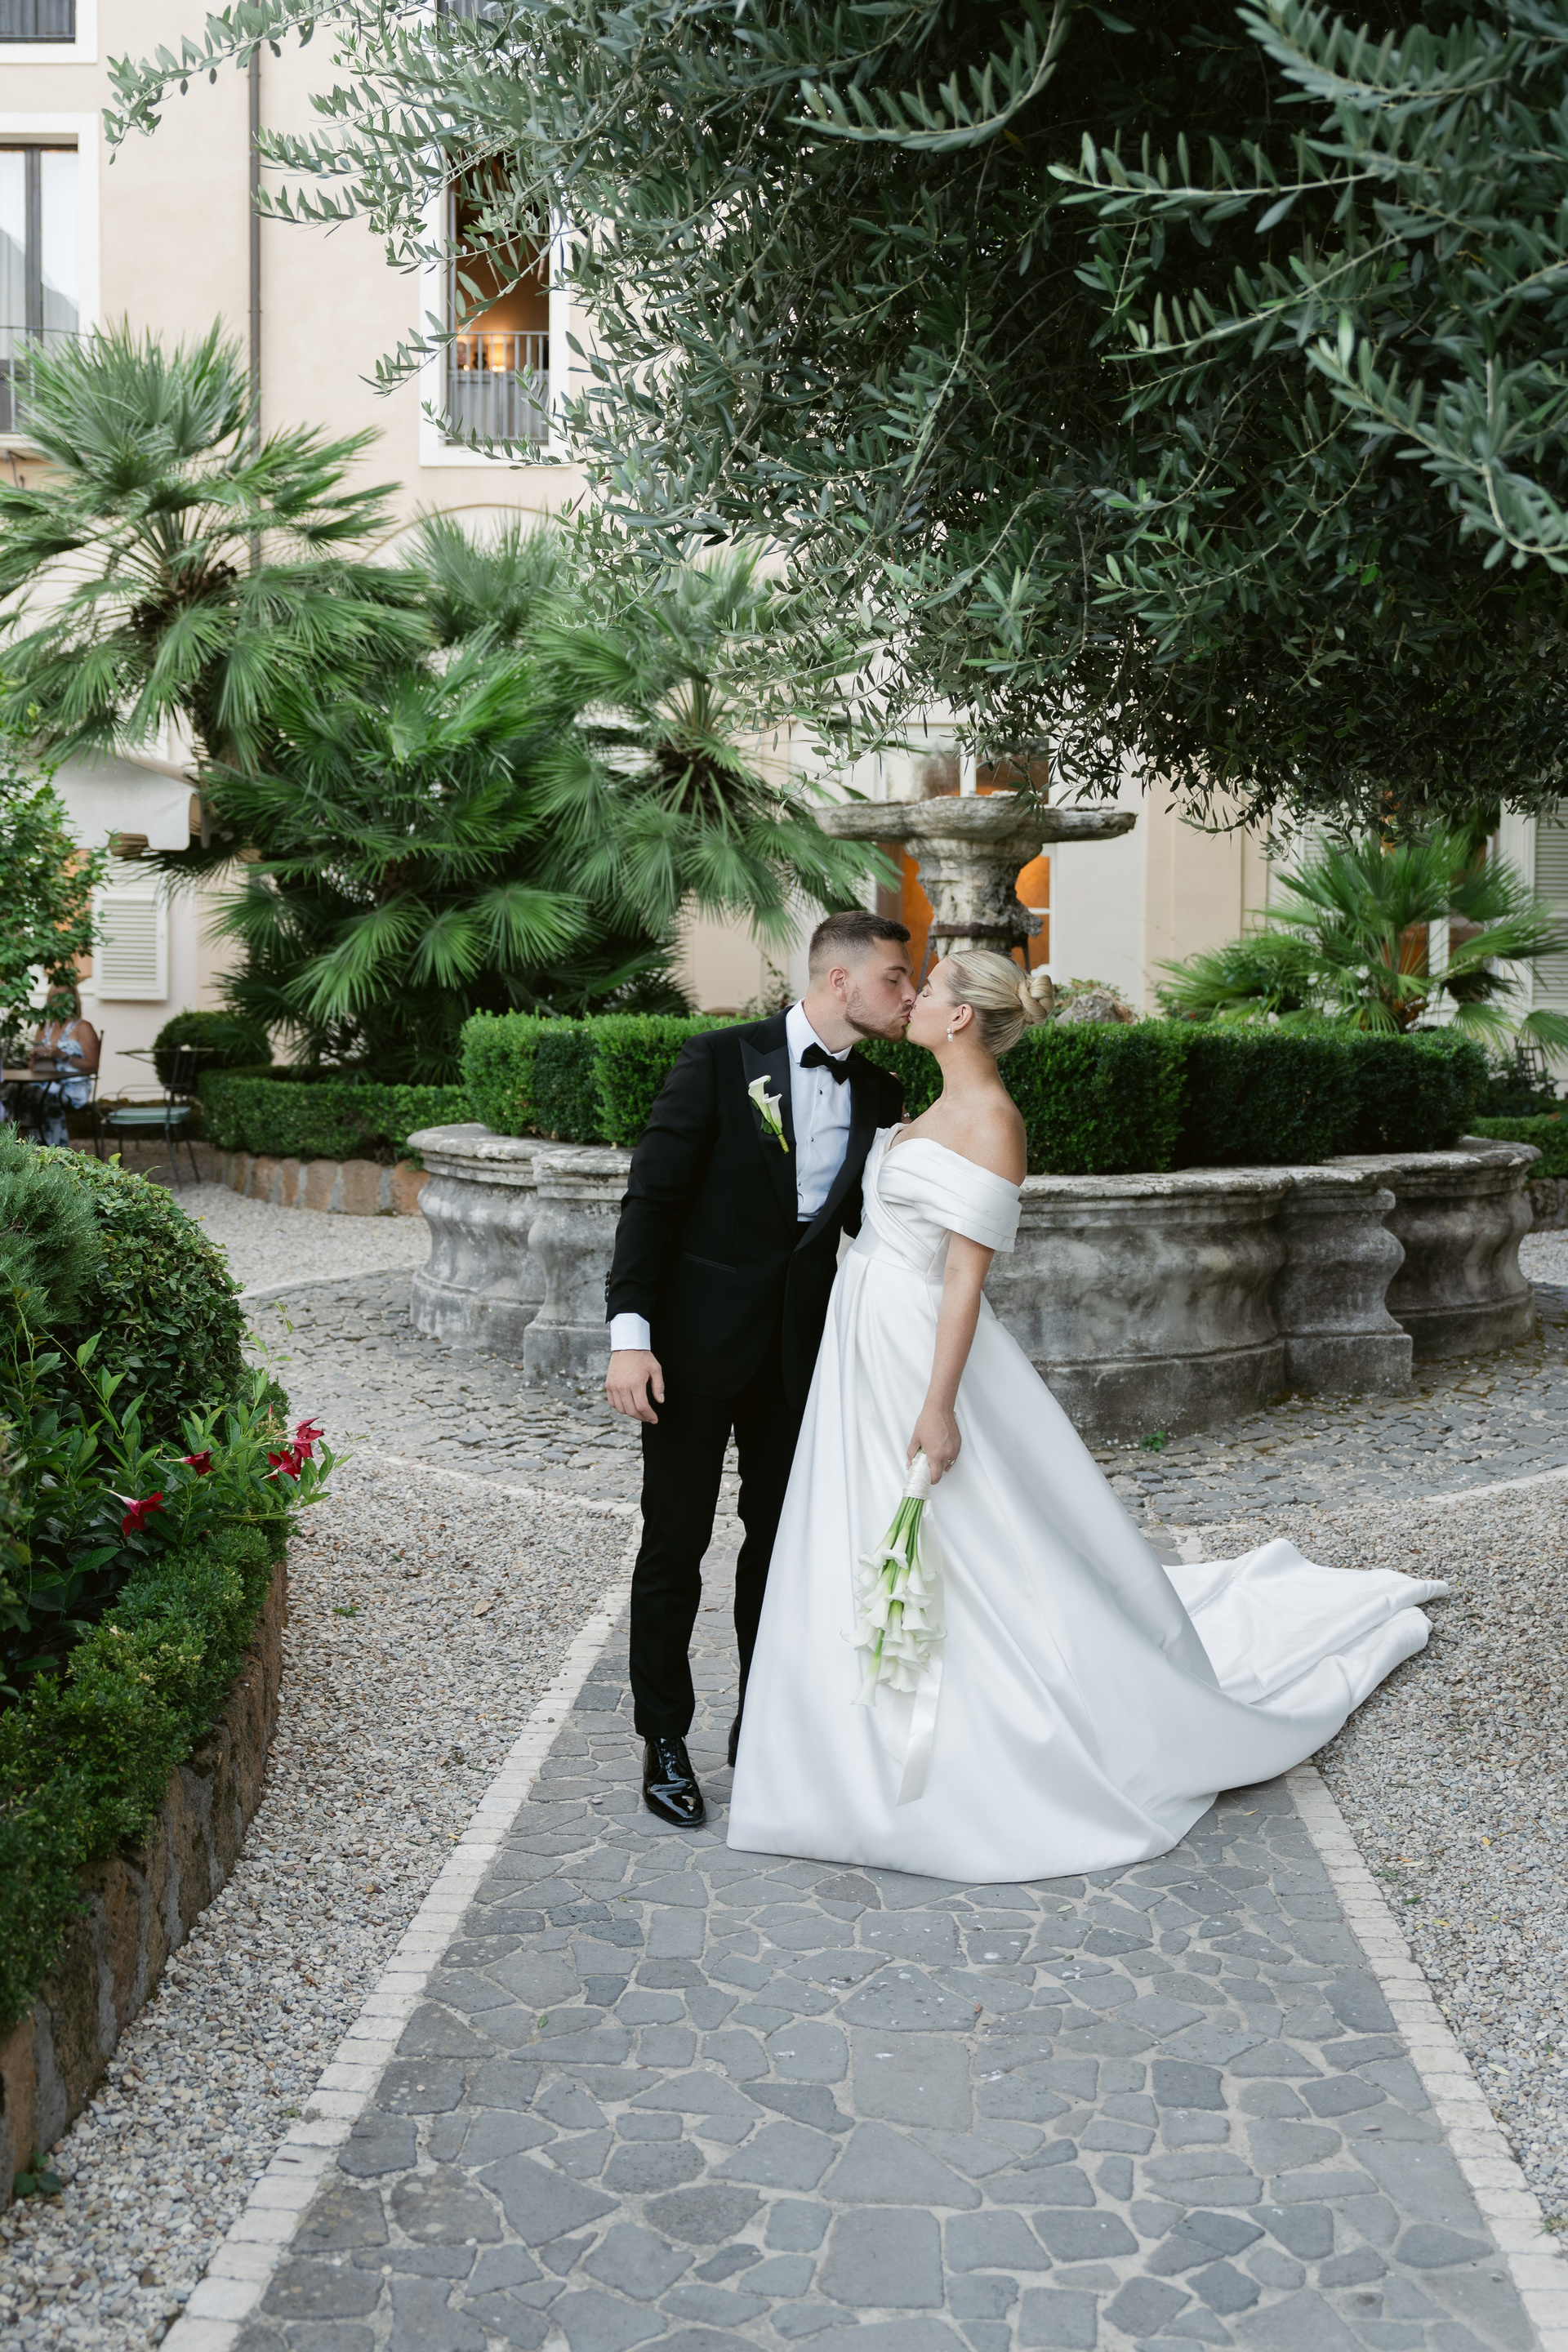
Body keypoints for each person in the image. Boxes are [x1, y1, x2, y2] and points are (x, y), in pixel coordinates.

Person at [728, 949, 1447, 1882]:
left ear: (960, 1017)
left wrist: (938, 1406)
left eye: (927, 989)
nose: (910, 999)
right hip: (860, 1337)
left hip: (915, 1346)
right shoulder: (915, 1107)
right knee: (852, 1523)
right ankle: (829, 1743)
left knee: (960, 1536)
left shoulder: (993, 1124)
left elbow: (963, 1280)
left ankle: (974, 1741)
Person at [604, 910, 914, 1828]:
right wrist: (631, 1336)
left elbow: (868, 1233)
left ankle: (764, 1724)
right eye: (896, 977)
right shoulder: (718, 1059)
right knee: (674, 1547)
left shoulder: (884, 1093)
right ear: (839, 980)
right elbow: (651, 1202)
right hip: (690, 1354)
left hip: (801, 1358)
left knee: (780, 1552)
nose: (908, 994)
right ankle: (664, 1739)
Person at [24, 987, 100, 1149]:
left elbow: (93, 1065)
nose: (58, 1000)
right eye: (55, 995)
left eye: (63, 995)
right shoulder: (44, 1026)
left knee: (44, 1095)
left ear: (73, 1000)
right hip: (44, 1080)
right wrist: (35, 1058)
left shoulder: (83, 1027)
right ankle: (23, 1149)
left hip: (73, 1085)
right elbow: (31, 1067)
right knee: (16, 1093)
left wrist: (63, 1056)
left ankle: (54, 1151)